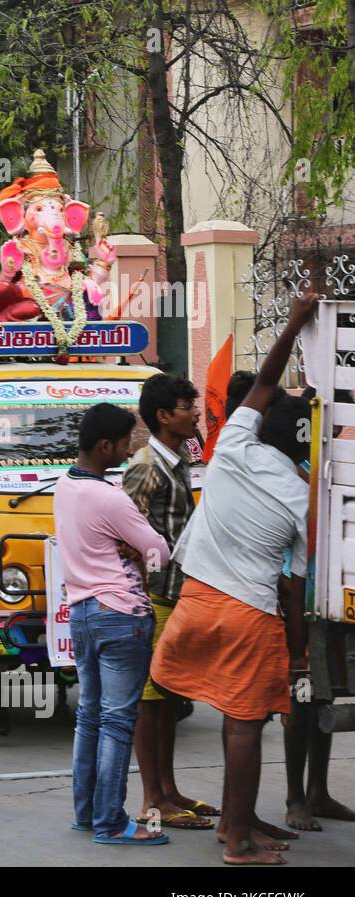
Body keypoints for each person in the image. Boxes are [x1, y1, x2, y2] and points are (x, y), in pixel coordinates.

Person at [150, 293, 318, 865]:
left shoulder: (231, 448)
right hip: (249, 612)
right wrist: (298, 652)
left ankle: (235, 825)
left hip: (196, 600)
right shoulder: (305, 498)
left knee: (232, 720)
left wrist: (295, 322)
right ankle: (240, 844)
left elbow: (265, 381)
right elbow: (294, 585)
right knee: (245, 727)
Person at [54, 402, 170, 847]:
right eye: (124, 444)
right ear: (104, 445)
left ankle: (87, 815)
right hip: (121, 615)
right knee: (119, 722)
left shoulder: (65, 485)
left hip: (82, 612)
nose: (128, 451)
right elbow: (158, 547)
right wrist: (138, 552)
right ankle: (111, 822)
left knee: (89, 718)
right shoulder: (109, 496)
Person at [122, 374, 217, 830]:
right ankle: (152, 800)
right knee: (150, 701)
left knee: (167, 699)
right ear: (164, 416)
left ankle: (169, 789)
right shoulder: (147, 466)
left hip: (174, 594)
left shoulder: (174, 462)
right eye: (186, 406)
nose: (195, 413)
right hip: (154, 597)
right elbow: (126, 536)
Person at [282, 387, 355, 831]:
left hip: (336, 596)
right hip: (305, 597)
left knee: (327, 694)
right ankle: (295, 797)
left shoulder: (336, 464)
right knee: (302, 699)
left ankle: (318, 792)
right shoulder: (297, 472)